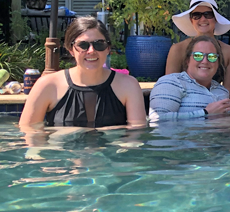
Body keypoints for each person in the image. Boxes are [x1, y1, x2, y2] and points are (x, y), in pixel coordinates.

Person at [19, 17, 147, 128]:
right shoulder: (47, 85)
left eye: (99, 44)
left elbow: (135, 136)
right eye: (83, 45)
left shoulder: (128, 86)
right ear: (71, 49)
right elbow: (29, 133)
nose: (91, 50)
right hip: (60, 155)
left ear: (108, 48)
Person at [149, 36, 230, 121]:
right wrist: (205, 113)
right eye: (198, 55)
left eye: (212, 56)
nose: (205, 61)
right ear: (187, 60)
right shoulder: (171, 82)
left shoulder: (222, 91)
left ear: (218, 63)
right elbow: (157, 120)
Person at [166, 0, 230, 95]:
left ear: (216, 18)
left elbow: (228, 91)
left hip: (215, 102)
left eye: (208, 14)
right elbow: (170, 87)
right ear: (191, 20)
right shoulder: (177, 49)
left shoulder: (229, 52)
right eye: (197, 15)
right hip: (183, 103)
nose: (203, 19)